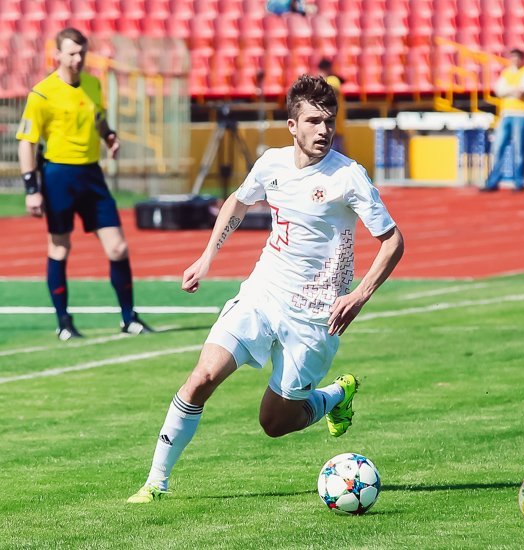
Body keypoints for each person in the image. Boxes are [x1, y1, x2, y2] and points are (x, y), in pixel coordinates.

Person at [127, 75, 404, 503]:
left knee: (274, 423)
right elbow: (238, 202)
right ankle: (155, 482)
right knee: (201, 378)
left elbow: (392, 241)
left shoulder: (349, 176)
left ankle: (336, 395)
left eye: (329, 121)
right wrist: (207, 256)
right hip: (263, 293)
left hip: (315, 315)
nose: (324, 130)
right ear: (292, 125)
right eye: (313, 121)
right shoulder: (271, 163)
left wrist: (359, 294)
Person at [16, 27, 153, 340]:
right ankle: (63, 322)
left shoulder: (92, 84)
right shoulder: (41, 94)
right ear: (58, 55)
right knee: (60, 247)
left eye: (82, 53)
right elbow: (26, 142)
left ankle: (128, 318)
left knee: (118, 247)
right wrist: (31, 189)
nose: (78, 59)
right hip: (58, 176)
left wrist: (109, 136)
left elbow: (98, 118)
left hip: (91, 175)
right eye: (72, 53)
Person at [481, 48, 524, 193]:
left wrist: (508, 90)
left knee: (519, 149)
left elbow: (522, 89)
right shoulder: (507, 72)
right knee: (498, 148)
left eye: (517, 58)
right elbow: (498, 90)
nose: (514, 60)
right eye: (512, 58)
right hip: (506, 114)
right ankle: (493, 182)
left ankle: (519, 182)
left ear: (522, 59)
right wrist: (513, 90)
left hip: (521, 114)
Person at [318, 59, 347, 153]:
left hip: (335, 128)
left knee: (336, 157)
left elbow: (331, 90)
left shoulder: (332, 79)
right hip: (329, 128)